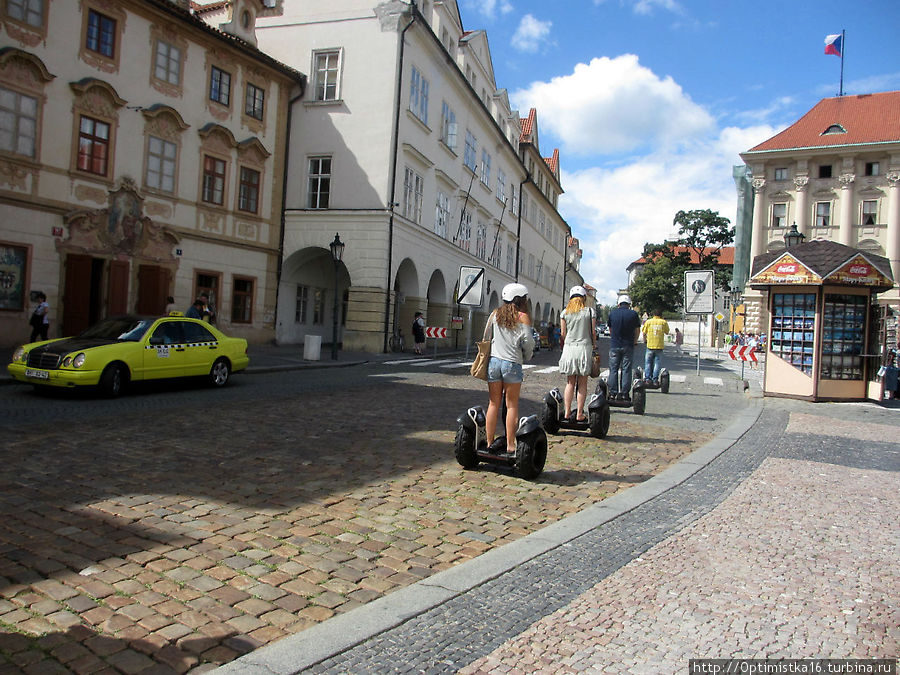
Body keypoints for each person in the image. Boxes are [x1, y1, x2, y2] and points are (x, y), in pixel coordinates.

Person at [485, 283, 534, 455]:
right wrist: (528, 355)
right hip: (511, 363)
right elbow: (528, 342)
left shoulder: (495, 314)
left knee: (493, 403)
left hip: (494, 362)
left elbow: (487, 337)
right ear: (519, 299)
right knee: (511, 405)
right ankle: (510, 445)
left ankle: (489, 442)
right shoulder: (523, 317)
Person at [558, 286, 597, 422]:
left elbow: (563, 334)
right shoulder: (589, 312)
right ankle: (580, 413)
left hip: (569, 349)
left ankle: (567, 412)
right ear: (584, 298)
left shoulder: (565, 313)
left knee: (570, 383)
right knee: (582, 383)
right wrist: (594, 345)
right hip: (584, 348)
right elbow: (593, 332)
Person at [607, 294, 640, 401]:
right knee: (626, 370)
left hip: (615, 345)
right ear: (629, 304)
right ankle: (625, 394)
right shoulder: (633, 314)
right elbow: (637, 330)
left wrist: (614, 338)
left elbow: (610, 329)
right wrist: (635, 341)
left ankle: (613, 393)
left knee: (613, 369)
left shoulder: (612, 313)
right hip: (628, 345)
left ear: (619, 304)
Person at [641, 309, 670, 385]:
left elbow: (644, 333)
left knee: (648, 363)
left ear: (653, 315)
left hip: (650, 346)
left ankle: (647, 379)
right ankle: (655, 380)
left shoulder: (648, 322)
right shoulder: (663, 322)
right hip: (659, 346)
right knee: (657, 364)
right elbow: (667, 332)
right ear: (661, 315)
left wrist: (645, 341)